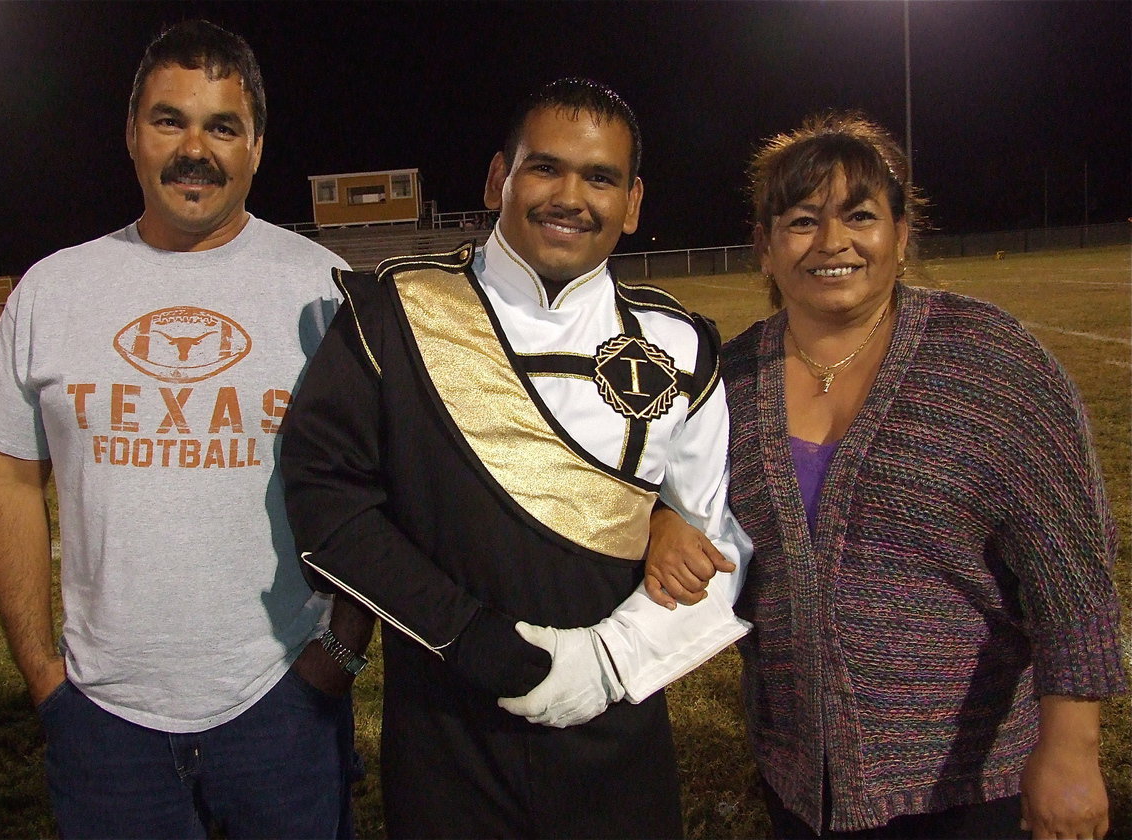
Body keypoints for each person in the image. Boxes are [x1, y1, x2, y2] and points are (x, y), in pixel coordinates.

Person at [280, 77, 753, 838]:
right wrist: (474, 642)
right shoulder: (392, 314)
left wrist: (605, 665)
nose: (571, 195)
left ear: (631, 204)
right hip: (444, 737)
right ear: (500, 178)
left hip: (619, 738)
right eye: (546, 168)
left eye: (601, 177)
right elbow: (327, 504)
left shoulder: (683, 345)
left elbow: (711, 546)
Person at [645, 112, 1127, 839]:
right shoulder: (728, 380)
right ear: (766, 249)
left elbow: (1071, 576)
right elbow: (671, 490)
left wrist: (1071, 751)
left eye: (860, 216)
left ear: (901, 237)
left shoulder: (989, 360)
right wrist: (664, 519)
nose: (832, 242)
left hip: (970, 785)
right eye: (802, 221)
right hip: (800, 780)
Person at [0, 20, 374, 839]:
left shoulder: (328, 291)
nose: (196, 148)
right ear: (131, 135)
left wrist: (342, 656)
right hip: (104, 720)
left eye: (222, 126)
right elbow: (5, 468)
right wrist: (43, 675)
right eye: (169, 120)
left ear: (256, 145)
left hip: (283, 704)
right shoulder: (54, 289)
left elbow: (378, 486)